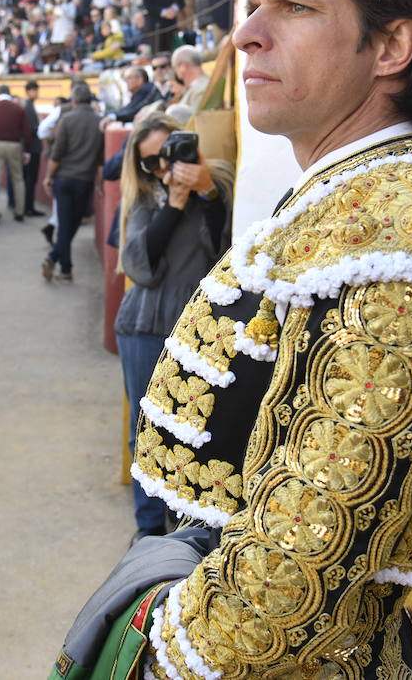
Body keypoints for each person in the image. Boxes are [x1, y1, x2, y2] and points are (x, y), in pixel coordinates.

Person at [49, 0, 412, 680]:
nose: (246, 34)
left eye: (293, 6)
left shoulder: (396, 236)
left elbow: (296, 575)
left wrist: (163, 659)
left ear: (391, 46)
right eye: (252, 7)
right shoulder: (353, 203)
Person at [113, 114, 233, 544]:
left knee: (192, 430)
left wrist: (203, 190)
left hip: (197, 333)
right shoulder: (145, 201)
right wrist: (174, 203)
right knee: (146, 428)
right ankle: (147, 531)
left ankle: (182, 525)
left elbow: (226, 250)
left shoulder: (216, 190)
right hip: (143, 327)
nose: (163, 169)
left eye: (169, 154)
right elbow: (140, 267)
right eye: (150, 163)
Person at [41, 86, 103, 283]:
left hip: (64, 178)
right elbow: (101, 159)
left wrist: (48, 176)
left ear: (74, 100)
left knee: (65, 223)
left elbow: (57, 152)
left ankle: (58, 261)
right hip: (85, 179)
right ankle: (62, 265)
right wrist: (99, 182)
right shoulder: (99, 122)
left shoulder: (67, 119)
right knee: (74, 222)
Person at [0, 83, 30, 225]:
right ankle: (20, 212)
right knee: (18, 179)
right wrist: (26, 150)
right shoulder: (18, 108)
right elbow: (26, 132)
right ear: (10, 93)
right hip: (14, 145)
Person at [21, 79, 45, 218]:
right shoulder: (28, 107)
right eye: (35, 90)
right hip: (32, 148)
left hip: (31, 148)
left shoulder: (29, 106)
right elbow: (32, 129)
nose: (36, 93)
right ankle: (28, 208)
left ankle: (28, 207)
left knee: (29, 179)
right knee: (30, 179)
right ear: (29, 91)